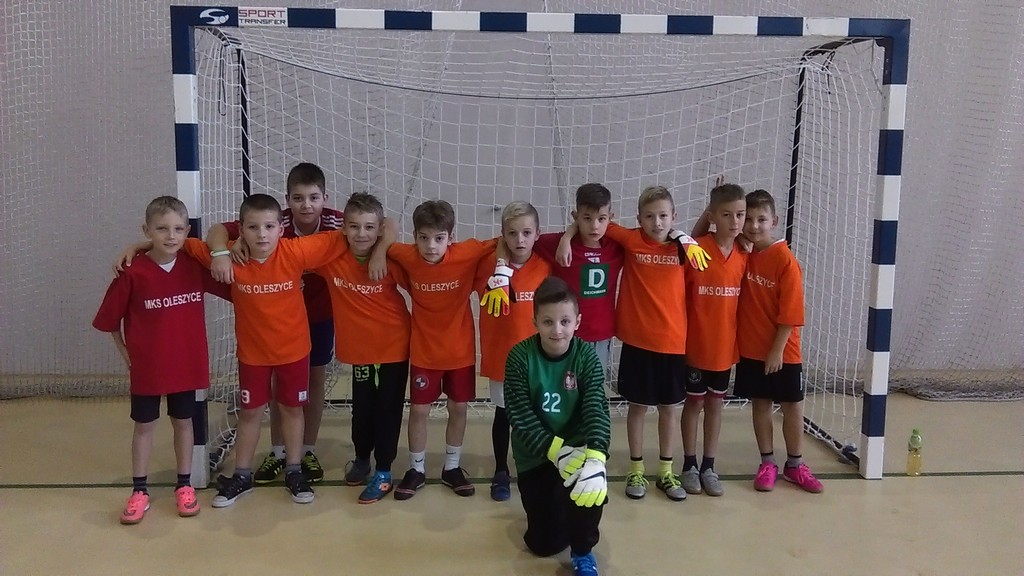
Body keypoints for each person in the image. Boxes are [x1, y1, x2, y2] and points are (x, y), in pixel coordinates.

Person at [170, 193, 347, 506]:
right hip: (252, 356)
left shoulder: (296, 252)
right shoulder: (231, 259)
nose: (262, 234)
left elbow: (348, 235)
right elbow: (179, 243)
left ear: (281, 229)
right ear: (241, 230)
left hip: (294, 352)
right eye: (253, 227)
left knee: (292, 409)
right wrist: (219, 251)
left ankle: (294, 470)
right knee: (250, 412)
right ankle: (242, 475)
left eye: (269, 226)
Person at [557, 185, 710, 502]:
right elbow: (591, 220)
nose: (657, 222)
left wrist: (693, 228)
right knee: (637, 407)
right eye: (649, 216)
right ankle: (636, 469)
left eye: (663, 216)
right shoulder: (629, 239)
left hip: (672, 344)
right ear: (638, 219)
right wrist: (565, 237)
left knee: (669, 409)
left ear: (674, 216)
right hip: (637, 344)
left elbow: (701, 241)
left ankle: (666, 471)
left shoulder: (684, 248)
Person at [94, 196, 230, 524]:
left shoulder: (195, 266)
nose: (171, 236)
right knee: (144, 426)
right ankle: (139, 490)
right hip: (149, 368)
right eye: (162, 229)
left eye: (178, 229)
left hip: (186, 364)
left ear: (187, 232)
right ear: (147, 230)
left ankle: (184, 485)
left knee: (183, 422)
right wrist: (126, 353)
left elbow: (232, 279)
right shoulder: (132, 271)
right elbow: (109, 321)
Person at [206, 162, 343, 484]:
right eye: (298, 198)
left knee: (313, 382)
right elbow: (217, 230)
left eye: (313, 197)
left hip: (318, 315)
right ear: (287, 201)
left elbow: (381, 225)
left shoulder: (336, 222)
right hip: (272, 320)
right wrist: (221, 252)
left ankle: (306, 450)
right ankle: (279, 452)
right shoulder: (270, 223)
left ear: (324, 198)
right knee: (275, 389)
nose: (306, 205)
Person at [385, 199, 498, 499]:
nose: (431, 246)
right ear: (414, 237)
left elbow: (505, 240)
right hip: (424, 352)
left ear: (451, 237)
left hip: (460, 350)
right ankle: (416, 469)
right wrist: (377, 256)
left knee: (458, 408)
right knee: (419, 410)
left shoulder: (467, 252)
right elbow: (383, 237)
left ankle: (452, 467)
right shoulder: (407, 256)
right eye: (423, 238)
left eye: (439, 238)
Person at [504, 276, 611, 576]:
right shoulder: (519, 357)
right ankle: (562, 512)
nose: (557, 330)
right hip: (536, 456)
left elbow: (596, 409)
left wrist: (596, 458)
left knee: (591, 484)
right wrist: (556, 451)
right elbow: (520, 417)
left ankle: (583, 551)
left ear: (577, 322)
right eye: (548, 322)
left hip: (577, 450)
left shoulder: (586, 356)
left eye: (565, 321)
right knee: (543, 544)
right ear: (535, 322)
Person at [312, 192, 412, 504]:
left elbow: (421, 283)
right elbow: (289, 255)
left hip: (392, 346)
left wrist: (382, 249)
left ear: (379, 230)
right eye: (354, 226)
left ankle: (384, 472)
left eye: (369, 227)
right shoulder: (331, 258)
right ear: (343, 228)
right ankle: (362, 458)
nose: (361, 234)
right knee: (362, 407)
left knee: (387, 409)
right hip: (359, 351)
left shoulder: (391, 258)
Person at [734, 189, 823, 494]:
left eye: (761, 219)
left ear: (774, 221)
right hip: (751, 349)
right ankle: (768, 462)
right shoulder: (743, 253)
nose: (754, 225)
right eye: (748, 219)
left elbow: (791, 314)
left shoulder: (785, 260)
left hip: (783, 351)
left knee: (792, 406)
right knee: (760, 404)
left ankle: (795, 464)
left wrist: (777, 350)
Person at [475, 201, 551, 501]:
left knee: (538, 416)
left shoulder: (546, 267)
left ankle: (536, 468)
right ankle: (501, 471)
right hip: (502, 358)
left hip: (538, 360)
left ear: (537, 234)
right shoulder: (487, 267)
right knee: (504, 414)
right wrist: (499, 260)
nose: (520, 239)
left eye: (527, 233)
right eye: (512, 233)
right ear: (502, 235)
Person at [679, 183, 748, 497]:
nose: (734, 221)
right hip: (695, 347)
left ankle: (709, 466)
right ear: (712, 216)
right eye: (726, 214)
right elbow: (689, 241)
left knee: (716, 405)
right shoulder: (697, 249)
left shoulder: (744, 254)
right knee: (693, 403)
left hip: (724, 349)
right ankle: (689, 465)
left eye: (740, 214)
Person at [533, 183, 624, 376]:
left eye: (601, 219)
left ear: (610, 218)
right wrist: (567, 237)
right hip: (564, 335)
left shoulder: (617, 246)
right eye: (587, 218)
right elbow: (515, 239)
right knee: (563, 386)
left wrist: (570, 232)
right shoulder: (557, 244)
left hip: (601, 334)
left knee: (593, 386)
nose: (594, 226)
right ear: (575, 217)